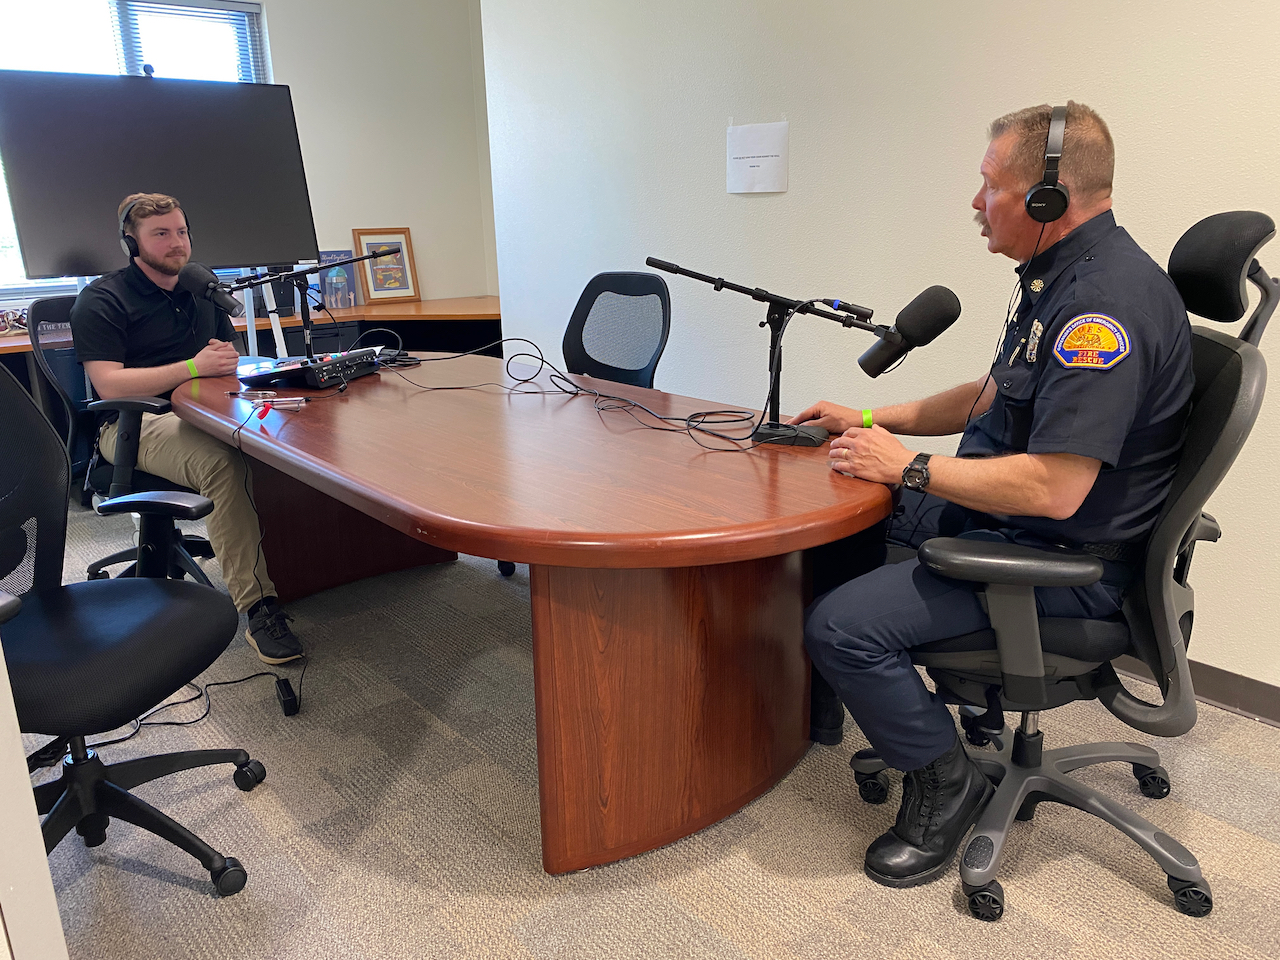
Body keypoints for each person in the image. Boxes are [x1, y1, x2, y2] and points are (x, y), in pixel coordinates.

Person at [787, 103, 1193, 889]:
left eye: (988, 187)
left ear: (1048, 199)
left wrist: (907, 467)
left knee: (841, 627)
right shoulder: (1064, 276)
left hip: (1062, 564)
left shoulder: (1101, 311)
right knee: (833, 513)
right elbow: (992, 395)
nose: (975, 205)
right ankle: (841, 707)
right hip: (1013, 524)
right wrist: (870, 419)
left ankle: (946, 783)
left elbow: (1056, 488)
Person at [70, 193, 305, 665]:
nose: (176, 243)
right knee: (222, 462)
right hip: (133, 425)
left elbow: (227, 362)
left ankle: (311, 567)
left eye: (181, 231)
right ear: (130, 242)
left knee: (288, 439)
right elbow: (108, 382)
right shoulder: (102, 298)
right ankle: (259, 606)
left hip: (205, 411)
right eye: (161, 234)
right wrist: (191, 368)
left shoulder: (202, 289)